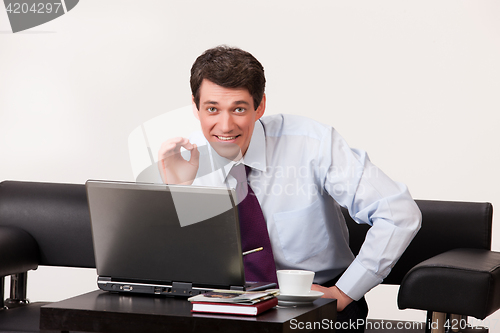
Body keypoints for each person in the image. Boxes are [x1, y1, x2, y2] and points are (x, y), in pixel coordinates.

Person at [158, 45, 421, 332]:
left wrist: (344, 292)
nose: (225, 124)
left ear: (260, 107)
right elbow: (177, 268)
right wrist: (179, 190)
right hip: (229, 304)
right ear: (196, 107)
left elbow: (399, 213)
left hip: (313, 304)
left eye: (239, 109)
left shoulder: (311, 143)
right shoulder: (184, 160)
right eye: (212, 109)